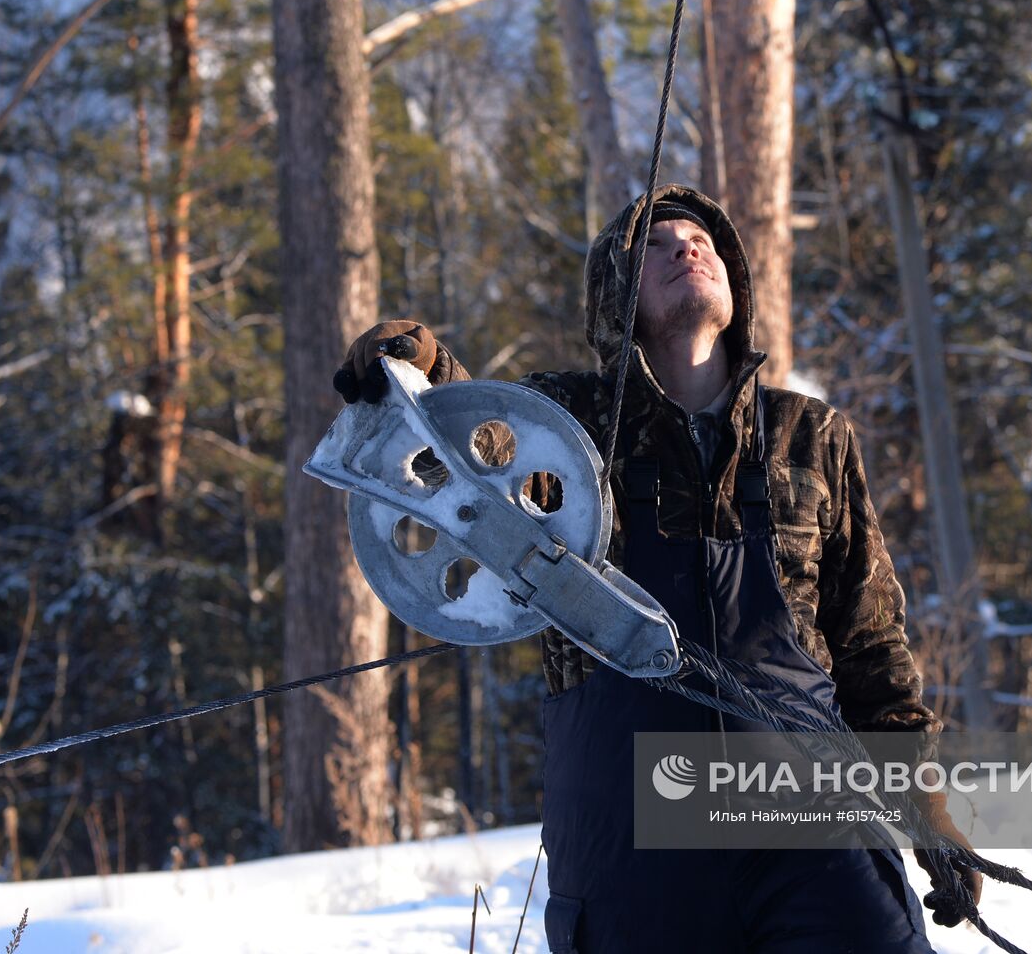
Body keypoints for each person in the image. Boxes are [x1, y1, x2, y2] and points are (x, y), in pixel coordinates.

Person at [335, 186, 981, 953]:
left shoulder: (810, 435)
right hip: (629, 849)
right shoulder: (568, 423)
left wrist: (926, 805)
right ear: (615, 295)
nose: (687, 246)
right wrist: (427, 367)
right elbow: (480, 456)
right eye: (657, 243)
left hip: (812, 832)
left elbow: (870, 645)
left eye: (702, 239)